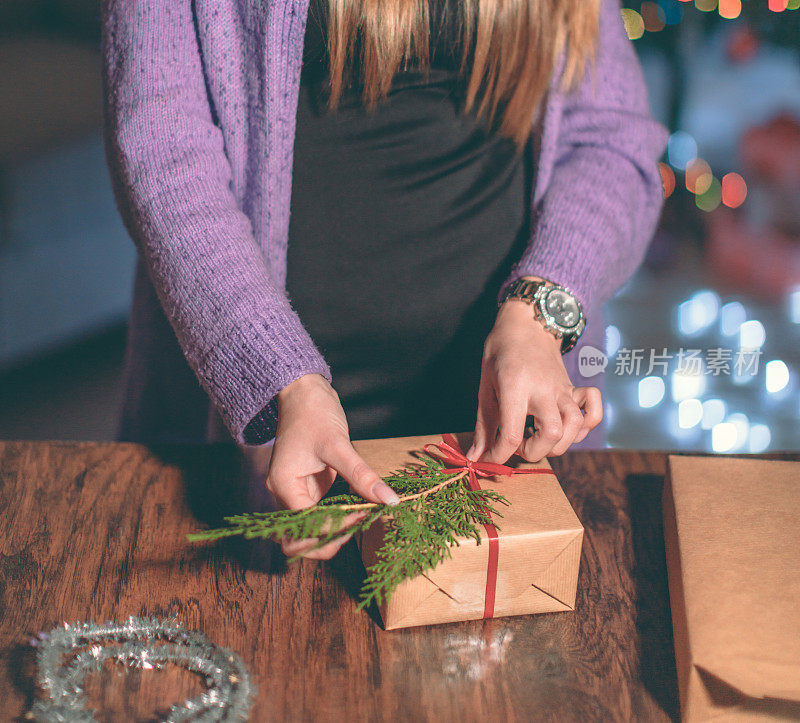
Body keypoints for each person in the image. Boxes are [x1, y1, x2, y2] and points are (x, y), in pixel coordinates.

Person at [102, 0, 668, 558]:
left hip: (501, 408)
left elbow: (609, 143)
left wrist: (538, 316)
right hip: (278, 421)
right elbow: (163, 153)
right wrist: (279, 376)